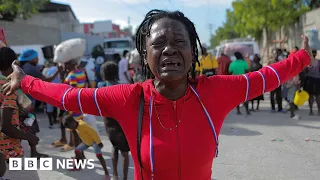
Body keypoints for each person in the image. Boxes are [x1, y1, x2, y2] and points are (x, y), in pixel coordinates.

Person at [2, 10, 315, 180]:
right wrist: (25, 81)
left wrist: (301, 58)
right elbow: (71, 97)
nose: (169, 48)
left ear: (193, 51)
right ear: (144, 54)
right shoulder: (129, 97)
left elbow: (265, 78)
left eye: (179, 40)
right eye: (158, 42)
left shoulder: (216, 91)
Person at [0, 47, 40, 180]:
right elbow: (5, 126)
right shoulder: (8, 86)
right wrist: (30, 137)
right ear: (14, 64)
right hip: (10, 154)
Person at [98, 62, 130, 180]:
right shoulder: (122, 87)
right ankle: (125, 178)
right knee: (125, 152)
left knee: (114, 147)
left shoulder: (101, 86)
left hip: (108, 123)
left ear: (103, 74)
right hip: (121, 122)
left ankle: (115, 175)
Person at [43, 61, 60, 128]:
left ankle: (51, 123)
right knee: (57, 107)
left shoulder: (46, 70)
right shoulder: (59, 69)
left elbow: (44, 79)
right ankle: (56, 121)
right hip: (58, 89)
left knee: (49, 107)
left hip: (48, 90)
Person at [303, 50, 320, 116]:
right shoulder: (318, 62)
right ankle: (318, 111)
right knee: (318, 96)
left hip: (310, 80)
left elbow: (304, 71)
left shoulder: (308, 62)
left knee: (311, 96)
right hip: (317, 80)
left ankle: (311, 111)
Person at [269, 48, 284, 113]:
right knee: (272, 95)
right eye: (275, 53)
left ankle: (280, 108)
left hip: (279, 81)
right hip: (272, 81)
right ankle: (273, 108)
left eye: (277, 53)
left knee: (279, 95)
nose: (276, 55)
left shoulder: (280, 62)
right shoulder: (270, 62)